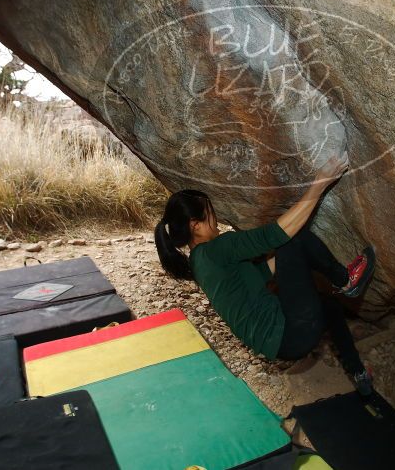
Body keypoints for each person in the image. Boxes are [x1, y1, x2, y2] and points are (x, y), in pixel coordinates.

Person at [154, 152, 376, 395]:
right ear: (195, 225)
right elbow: (275, 235)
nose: (216, 219)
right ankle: (346, 281)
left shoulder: (199, 262)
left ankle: (359, 374)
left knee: (329, 307)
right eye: (210, 214)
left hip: (282, 346)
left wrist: (283, 257)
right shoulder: (218, 248)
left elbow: (259, 276)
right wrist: (319, 184)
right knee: (294, 238)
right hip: (292, 332)